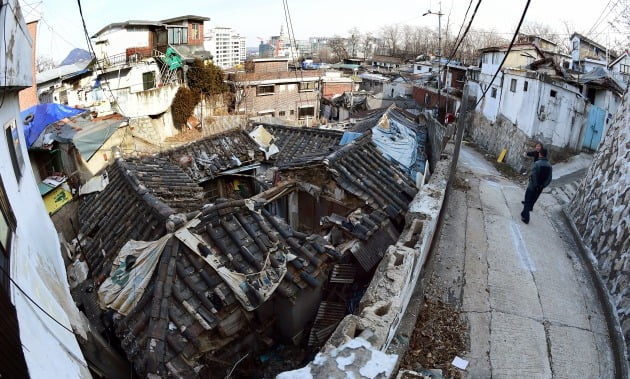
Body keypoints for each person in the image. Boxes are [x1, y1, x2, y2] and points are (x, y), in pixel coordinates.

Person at [520, 148, 552, 224]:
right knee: (532, 200)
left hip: (532, 186)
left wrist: (535, 185)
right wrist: (542, 186)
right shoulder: (549, 166)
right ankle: (523, 213)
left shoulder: (537, 163)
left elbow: (533, 176)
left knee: (527, 200)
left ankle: (526, 218)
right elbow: (549, 179)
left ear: (540, 154)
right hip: (540, 187)